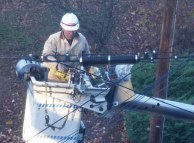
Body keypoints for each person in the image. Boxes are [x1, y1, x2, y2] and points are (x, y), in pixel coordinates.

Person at [42, 13, 90, 82]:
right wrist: (57, 66)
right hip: (55, 79)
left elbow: (87, 58)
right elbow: (46, 56)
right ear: (63, 28)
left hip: (76, 80)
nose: (71, 33)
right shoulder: (53, 39)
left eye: (73, 30)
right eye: (69, 30)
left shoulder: (82, 40)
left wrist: (89, 71)